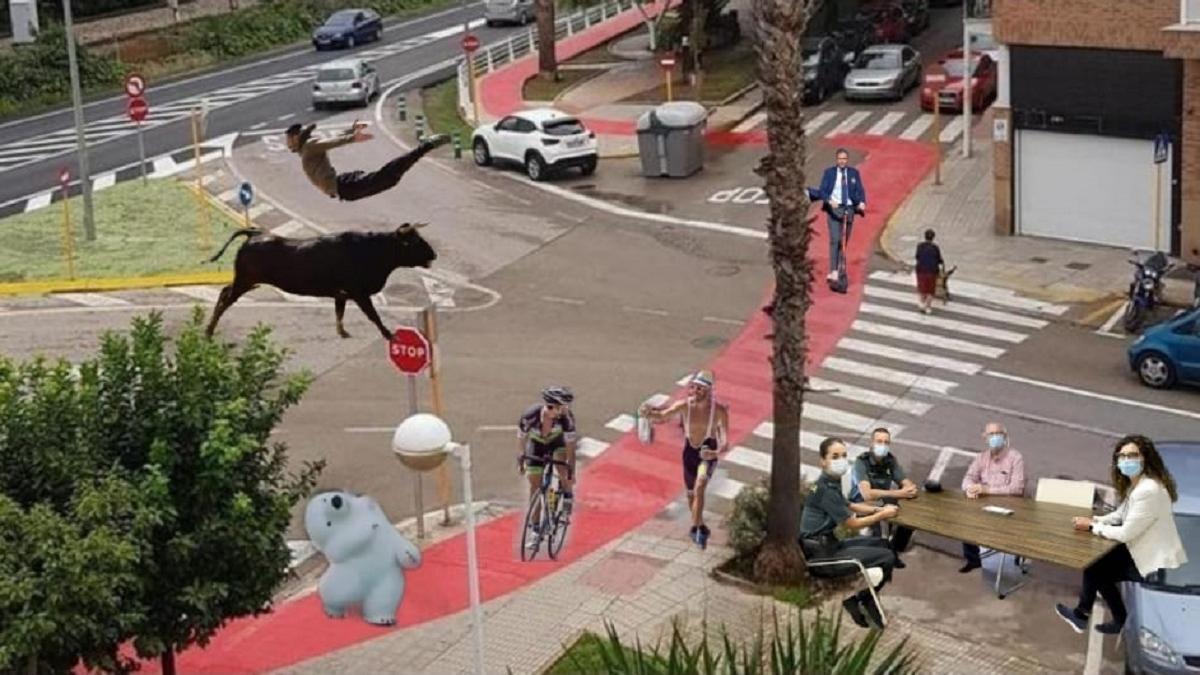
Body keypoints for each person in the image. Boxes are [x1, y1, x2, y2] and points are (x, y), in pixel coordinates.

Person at [1055, 435, 1187, 634]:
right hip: (1141, 545)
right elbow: (1121, 513)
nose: (1127, 461)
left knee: (1096, 567)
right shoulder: (1142, 484)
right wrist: (1096, 520)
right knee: (1098, 569)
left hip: (1150, 558)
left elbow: (1125, 533)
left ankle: (1084, 615)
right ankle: (1113, 619)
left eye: (1132, 455)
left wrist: (1092, 528)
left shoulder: (1148, 490)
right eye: (1122, 456)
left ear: (1145, 458)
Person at [801, 437, 900, 629]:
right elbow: (852, 524)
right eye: (835, 456)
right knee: (887, 557)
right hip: (822, 557)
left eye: (844, 455)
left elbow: (850, 506)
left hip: (830, 544)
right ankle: (864, 600)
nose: (841, 460)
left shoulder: (827, 482)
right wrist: (883, 515)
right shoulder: (825, 490)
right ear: (823, 461)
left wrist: (879, 510)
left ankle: (862, 599)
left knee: (884, 544)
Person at [639, 370, 729, 549]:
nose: (695, 391)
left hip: (706, 451)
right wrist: (648, 414)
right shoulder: (685, 406)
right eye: (694, 387)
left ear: (709, 390)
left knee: (700, 485)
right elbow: (663, 416)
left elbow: (725, 440)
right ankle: (699, 524)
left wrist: (715, 452)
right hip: (690, 453)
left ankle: (696, 530)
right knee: (691, 495)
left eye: (700, 388)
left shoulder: (718, 411)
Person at [285, 121, 449, 202]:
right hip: (343, 185)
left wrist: (352, 137)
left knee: (388, 177)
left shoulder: (309, 147)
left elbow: (330, 142)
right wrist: (351, 130)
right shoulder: (308, 147)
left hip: (345, 187)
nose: (287, 144)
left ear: (295, 137)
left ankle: (427, 145)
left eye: (288, 140)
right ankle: (425, 147)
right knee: (389, 179)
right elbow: (330, 139)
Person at [959, 422, 1027, 573]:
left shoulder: (1015, 458)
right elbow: (968, 478)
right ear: (985, 437)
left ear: (1005, 436)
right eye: (991, 434)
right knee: (965, 519)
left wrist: (987, 490)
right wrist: (970, 489)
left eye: (998, 433)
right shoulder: (981, 458)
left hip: (1009, 508)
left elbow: (1017, 488)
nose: (995, 437)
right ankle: (973, 559)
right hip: (985, 505)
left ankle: (1013, 560)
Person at [850, 427, 919, 568]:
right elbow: (867, 494)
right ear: (871, 443)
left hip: (883, 500)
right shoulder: (861, 463)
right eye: (879, 441)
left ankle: (894, 550)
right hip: (863, 504)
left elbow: (905, 482)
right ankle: (881, 558)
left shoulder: (890, 460)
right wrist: (899, 493)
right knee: (882, 527)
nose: (882, 445)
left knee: (911, 517)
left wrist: (909, 488)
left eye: (886, 442)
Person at [517, 386, 578, 536]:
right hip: (537, 445)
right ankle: (535, 527)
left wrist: (571, 469)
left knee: (563, 471)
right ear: (553, 407)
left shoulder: (566, 418)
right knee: (535, 487)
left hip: (557, 444)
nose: (565, 409)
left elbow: (570, 446)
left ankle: (567, 499)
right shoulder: (530, 416)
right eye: (562, 407)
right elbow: (521, 438)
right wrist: (521, 459)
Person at [810, 148, 867, 282]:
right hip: (834, 210)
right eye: (840, 159)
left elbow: (860, 190)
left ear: (847, 160)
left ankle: (841, 267)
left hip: (849, 208)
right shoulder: (829, 173)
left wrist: (862, 202)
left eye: (844, 159)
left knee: (844, 242)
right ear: (837, 160)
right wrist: (830, 201)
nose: (842, 161)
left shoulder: (854, 173)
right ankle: (833, 270)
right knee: (835, 240)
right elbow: (822, 191)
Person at [914, 228, 944, 314]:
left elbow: (917, 257)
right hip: (932, 271)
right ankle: (928, 306)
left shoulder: (920, 246)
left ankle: (921, 303)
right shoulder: (935, 248)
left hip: (921, 269)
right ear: (933, 238)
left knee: (921, 287)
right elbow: (939, 259)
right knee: (930, 290)